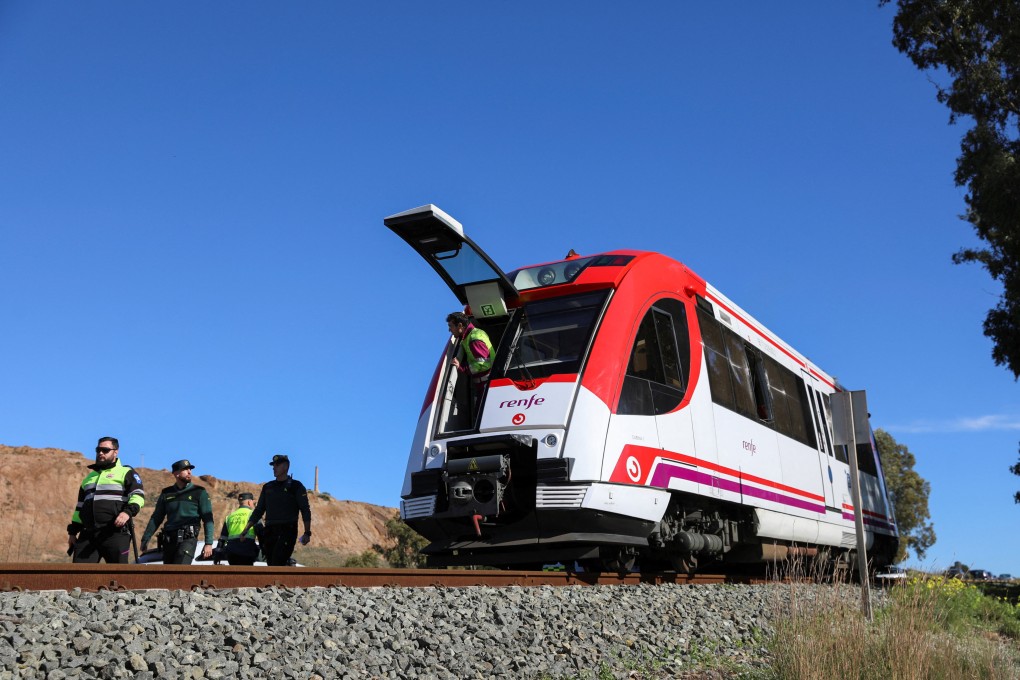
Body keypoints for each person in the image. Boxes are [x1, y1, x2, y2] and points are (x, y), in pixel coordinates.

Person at [67, 436, 145, 564]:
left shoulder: (126, 472)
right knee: (78, 577)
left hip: (115, 533)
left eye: (105, 450)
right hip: (88, 534)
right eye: (98, 450)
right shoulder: (89, 478)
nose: (100, 453)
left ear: (116, 452)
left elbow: (138, 496)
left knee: (118, 575)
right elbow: (79, 508)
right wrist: (73, 532)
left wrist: (127, 512)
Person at [240, 454, 311, 566]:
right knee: (271, 564)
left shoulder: (296, 486)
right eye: (273, 465)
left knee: (278, 561)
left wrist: (307, 532)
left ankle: (279, 581)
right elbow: (259, 510)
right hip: (270, 531)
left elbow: (305, 509)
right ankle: (278, 582)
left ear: (286, 466)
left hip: (288, 530)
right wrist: (246, 529)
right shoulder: (268, 487)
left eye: (277, 465)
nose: (274, 467)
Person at [140, 459, 215, 564]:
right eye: (185, 469)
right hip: (169, 541)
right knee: (169, 575)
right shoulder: (166, 493)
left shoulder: (199, 492)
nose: (189, 472)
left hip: (188, 539)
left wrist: (208, 543)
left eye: (190, 469)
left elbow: (208, 519)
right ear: (176, 473)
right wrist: (146, 538)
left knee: (181, 572)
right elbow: (156, 517)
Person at [446, 311, 494, 391]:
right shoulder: (474, 333)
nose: (449, 330)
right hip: (485, 383)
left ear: (460, 325)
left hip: (486, 384)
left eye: (451, 326)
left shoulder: (474, 339)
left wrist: (461, 367)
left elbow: (484, 364)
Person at [218, 492, 262, 566]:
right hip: (247, 551)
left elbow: (223, 538)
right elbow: (261, 533)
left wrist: (218, 553)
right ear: (249, 502)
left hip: (231, 553)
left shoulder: (229, 517)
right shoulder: (253, 515)